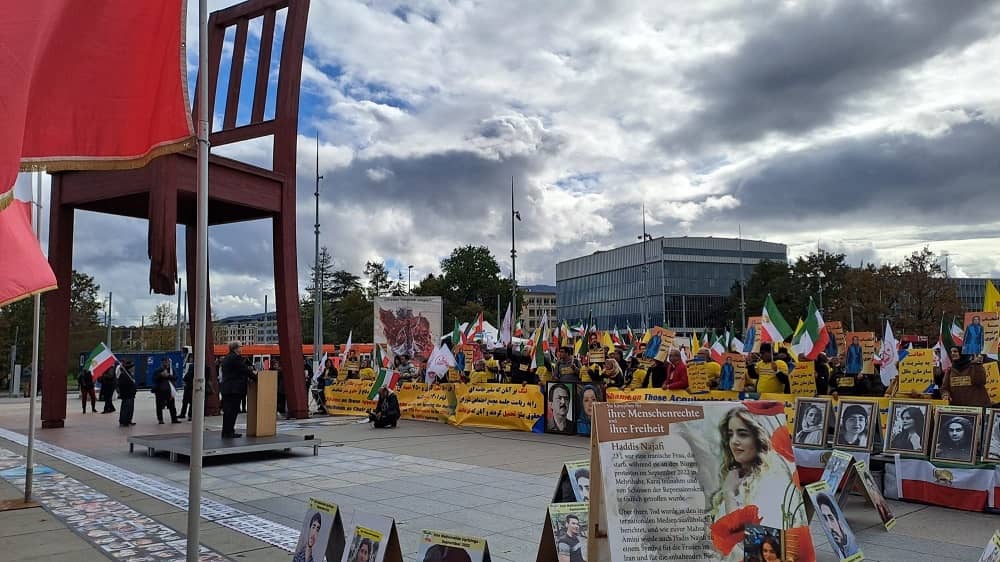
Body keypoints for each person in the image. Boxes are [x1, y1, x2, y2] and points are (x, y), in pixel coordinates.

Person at [709, 406, 804, 561]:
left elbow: (754, 546)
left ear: (758, 437)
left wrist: (729, 494)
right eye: (730, 435)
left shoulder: (772, 480)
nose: (734, 441)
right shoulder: (734, 476)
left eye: (742, 434)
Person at [220, 341, 256, 438]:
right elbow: (244, 370)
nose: (241, 348)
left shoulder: (226, 358)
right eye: (240, 346)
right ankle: (229, 432)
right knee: (233, 411)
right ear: (236, 348)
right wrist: (256, 378)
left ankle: (226, 431)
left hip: (226, 388)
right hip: (234, 389)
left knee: (227, 412)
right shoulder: (236, 358)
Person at [816, 492, 859, 559]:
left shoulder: (854, 549)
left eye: (831, 518)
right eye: (825, 519)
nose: (830, 526)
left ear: (839, 522)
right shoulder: (839, 549)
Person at [152, 357, 181, 424]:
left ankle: (174, 419)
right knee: (159, 405)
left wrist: (168, 375)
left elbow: (175, 378)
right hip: (160, 390)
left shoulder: (172, 370)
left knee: (172, 405)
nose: (166, 363)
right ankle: (160, 419)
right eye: (164, 362)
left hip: (169, 390)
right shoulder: (158, 370)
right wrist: (161, 375)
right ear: (162, 362)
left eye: (167, 362)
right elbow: (154, 379)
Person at [117, 360, 137, 427]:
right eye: (133, 367)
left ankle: (128, 420)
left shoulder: (129, 374)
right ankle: (123, 421)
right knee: (125, 409)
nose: (134, 369)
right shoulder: (124, 375)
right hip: (127, 395)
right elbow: (122, 385)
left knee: (130, 409)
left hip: (131, 394)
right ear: (130, 368)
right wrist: (131, 382)